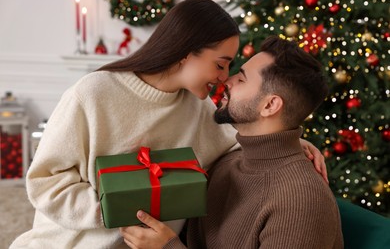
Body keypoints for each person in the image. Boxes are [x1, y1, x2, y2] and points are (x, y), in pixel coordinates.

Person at [10, 0, 326, 249]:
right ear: (185, 53)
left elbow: (236, 143)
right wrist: (116, 210)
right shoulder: (94, 94)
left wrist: (292, 142)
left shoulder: (198, 105)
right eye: (220, 64)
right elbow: (44, 181)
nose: (223, 78)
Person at [119, 36, 344, 249]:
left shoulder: (301, 202)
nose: (227, 80)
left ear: (269, 105)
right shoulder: (229, 161)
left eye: (242, 78)